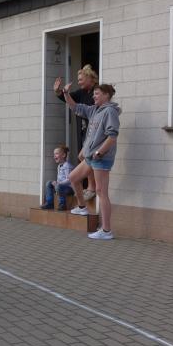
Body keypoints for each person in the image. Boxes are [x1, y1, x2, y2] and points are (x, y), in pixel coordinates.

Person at [62, 83, 121, 240]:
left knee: (101, 192)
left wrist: (99, 152)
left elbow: (112, 137)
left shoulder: (110, 112)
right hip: (91, 157)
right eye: (93, 94)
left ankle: (106, 231)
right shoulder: (94, 110)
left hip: (101, 158)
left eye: (97, 94)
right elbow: (75, 107)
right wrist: (66, 93)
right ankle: (82, 207)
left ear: (106, 95)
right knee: (73, 178)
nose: (94, 96)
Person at [54, 64, 98, 200]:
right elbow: (68, 99)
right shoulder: (82, 92)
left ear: (90, 78)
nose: (78, 82)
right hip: (85, 132)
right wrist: (59, 91)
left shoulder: (97, 92)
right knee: (83, 157)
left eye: (81, 79)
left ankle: (91, 187)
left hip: (95, 133)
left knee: (84, 157)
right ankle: (90, 187)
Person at [41, 145, 74, 210]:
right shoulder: (59, 166)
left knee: (58, 186)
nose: (54, 156)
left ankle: (62, 204)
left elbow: (69, 180)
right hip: (61, 186)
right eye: (54, 154)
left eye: (56, 154)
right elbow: (59, 178)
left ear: (63, 155)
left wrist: (59, 183)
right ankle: (50, 203)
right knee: (49, 183)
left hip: (69, 188)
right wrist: (56, 182)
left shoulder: (67, 166)